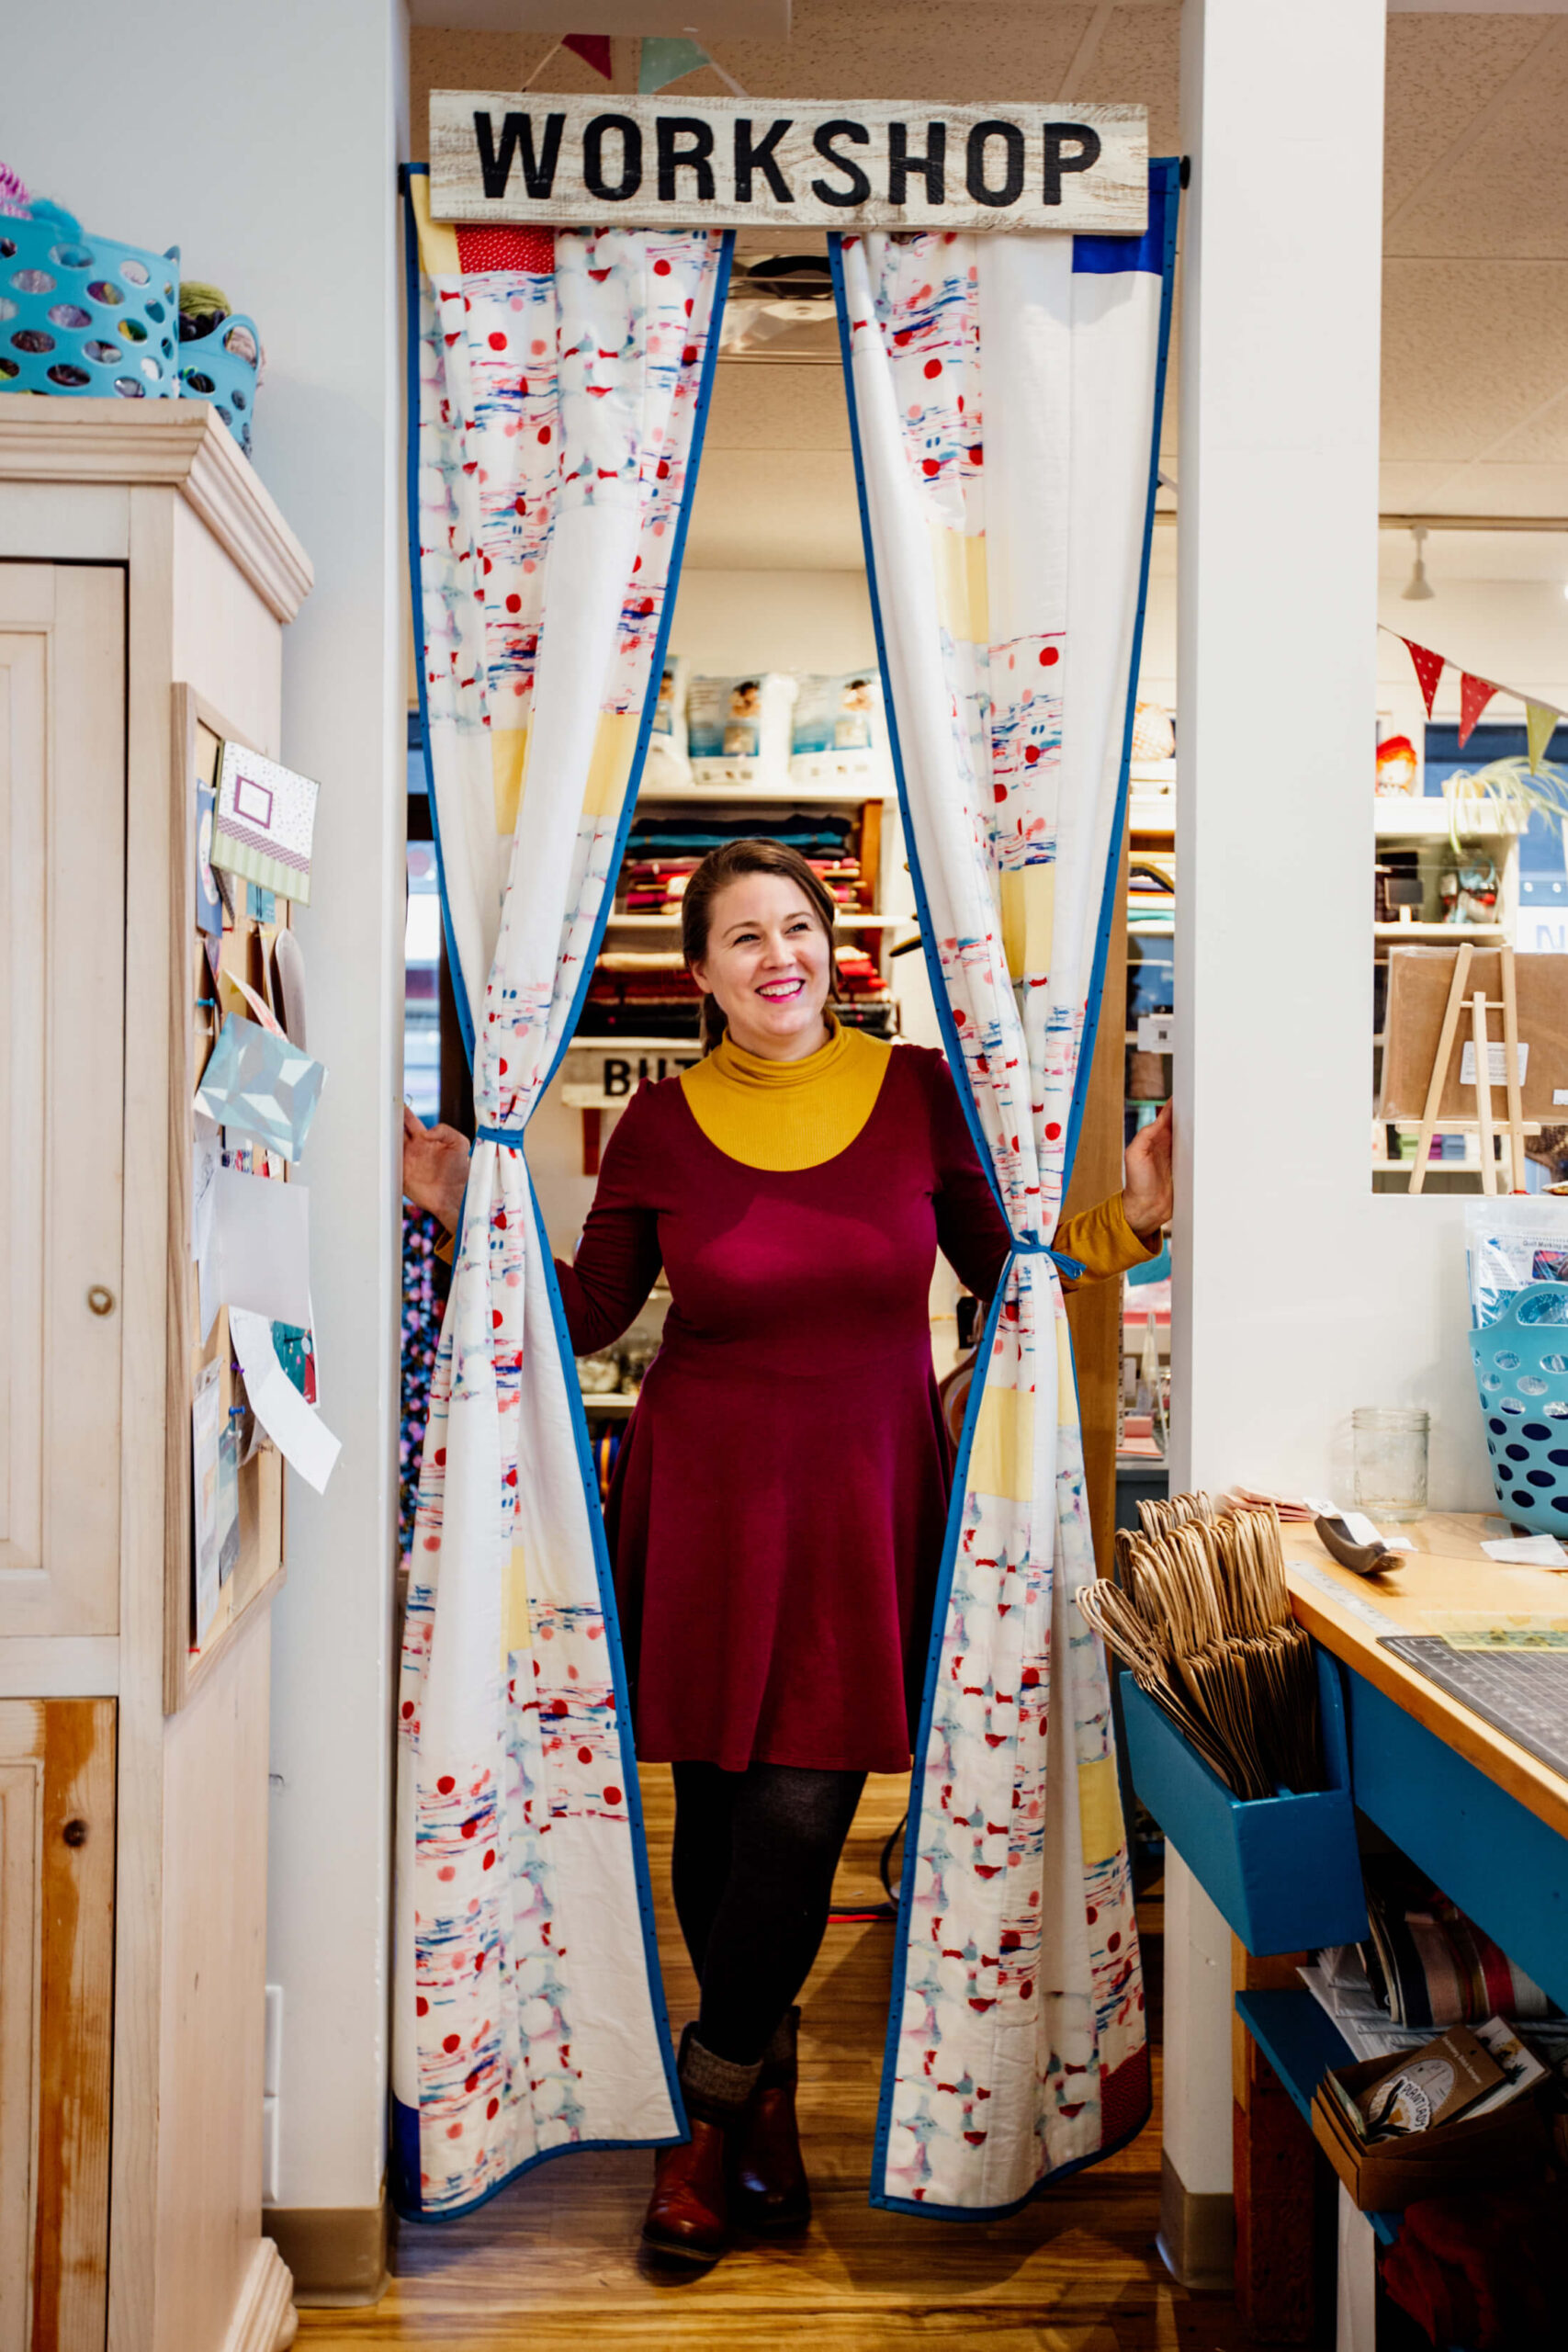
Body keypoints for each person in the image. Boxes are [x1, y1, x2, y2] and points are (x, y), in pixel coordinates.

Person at [402, 837, 1174, 2267]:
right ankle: (760, 2100)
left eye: (801, 926)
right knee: (716, 1808)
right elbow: (584, 1316)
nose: (782, 954)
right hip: (700, 1498)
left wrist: (1131, 1214)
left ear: (836, 950)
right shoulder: (663, 1125)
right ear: (698, 973)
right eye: (746, 936)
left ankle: (702, 2118)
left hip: (862, 1496)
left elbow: (1008, 1258)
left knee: (806, 1816)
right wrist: (464, 1214)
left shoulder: (915, 1093)